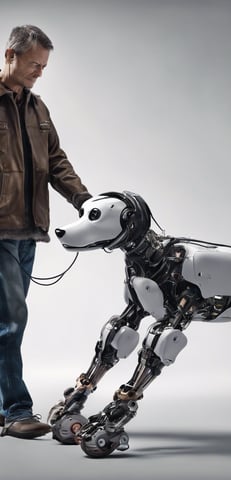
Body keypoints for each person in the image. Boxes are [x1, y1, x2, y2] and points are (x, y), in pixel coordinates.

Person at [0, 25, 92, 439]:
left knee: (8, 319)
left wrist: (86, 203)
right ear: (11, 55)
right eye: (35, 63)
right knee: (11, 319)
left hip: (28, 230)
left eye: (44, 65)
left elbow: (56, 162)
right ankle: (16, 411)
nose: (40, 71)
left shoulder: (38, 110)